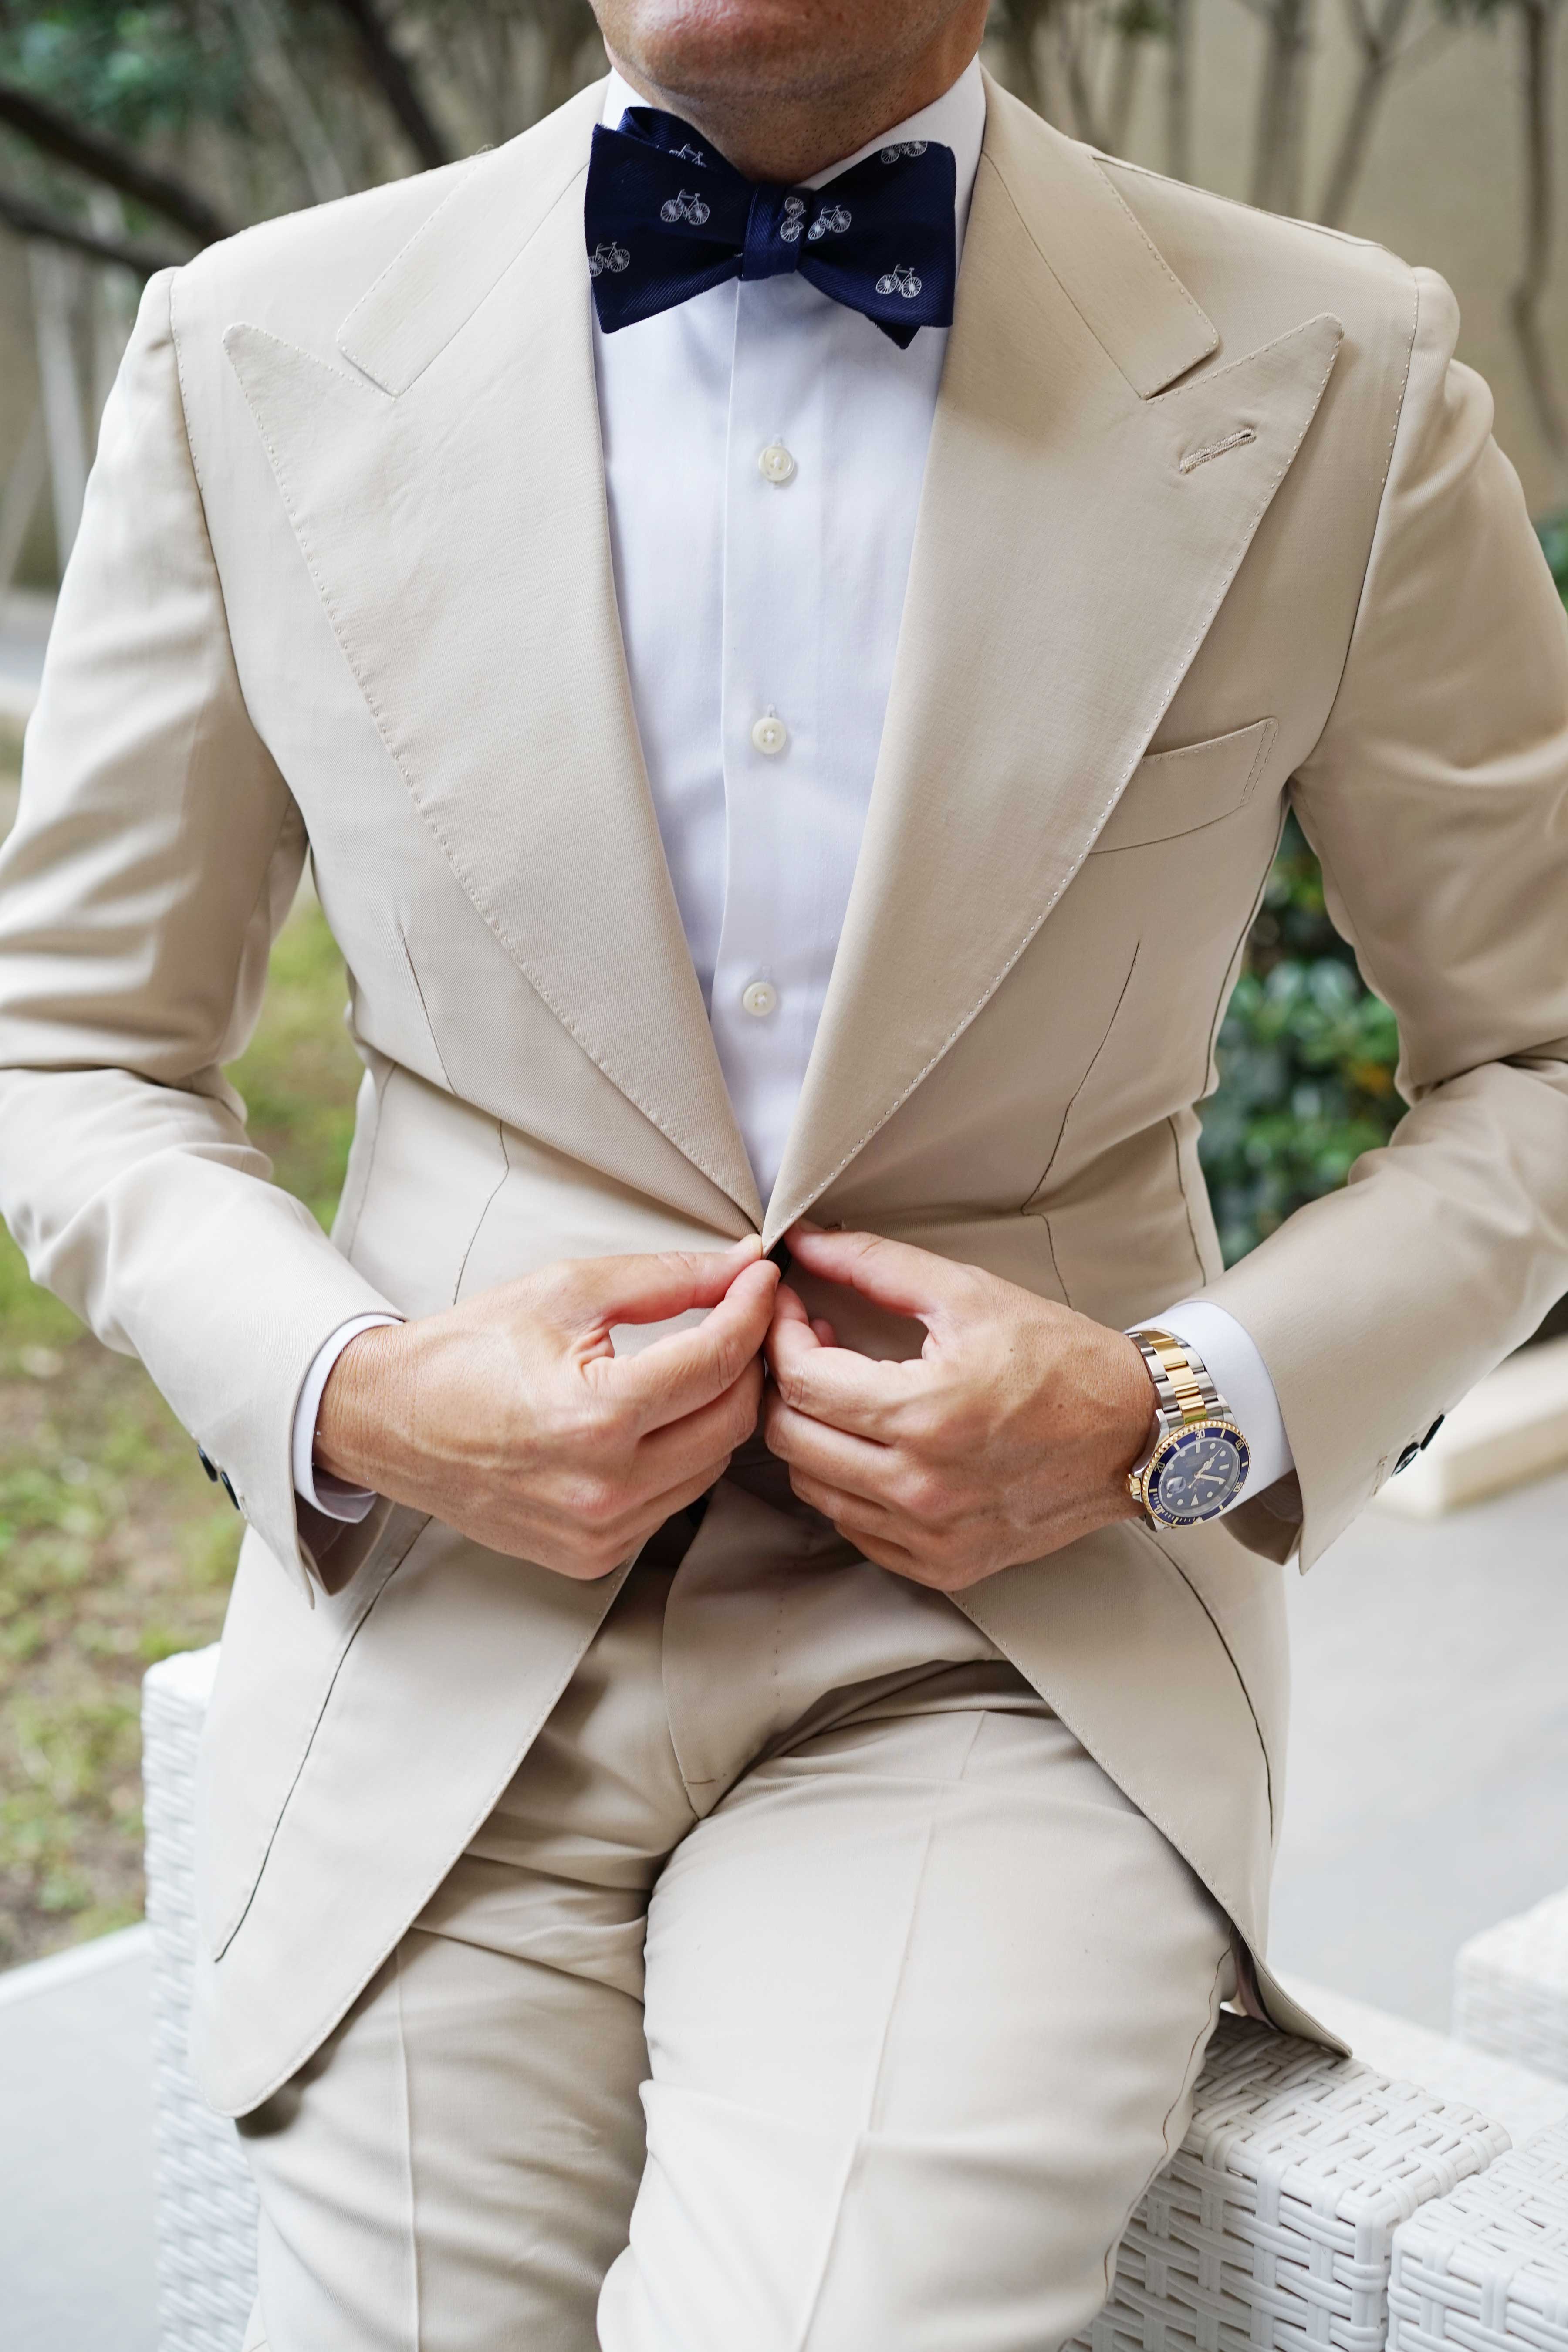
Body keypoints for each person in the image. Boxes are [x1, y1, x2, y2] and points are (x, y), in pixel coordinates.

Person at [2, 0, 1567, 2342]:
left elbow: (1541, 1062)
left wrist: (1171, 1408)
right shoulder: (247, 350)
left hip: (1008, 1655)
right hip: (441, 1629)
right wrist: (357, 1388)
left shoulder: (1337, 371)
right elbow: (72, 1047)